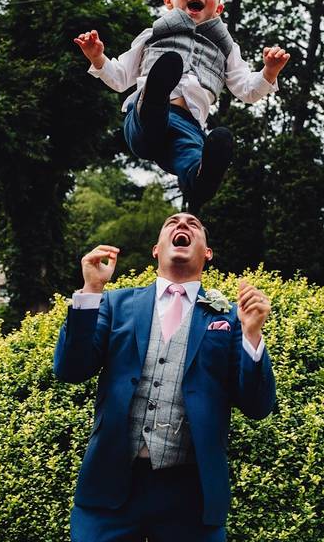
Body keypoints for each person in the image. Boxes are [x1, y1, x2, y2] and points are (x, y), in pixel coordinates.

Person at [54, 212, 276, 541]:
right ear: (156, 249)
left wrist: (252, 335)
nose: (182, 225)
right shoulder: (116, 303)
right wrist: (91, 289)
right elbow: (70, 369)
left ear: (207, 253)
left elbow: (258, 406)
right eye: (172, 222)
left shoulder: (229, 317)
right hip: (110, 485)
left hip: (191, 495)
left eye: (193, 224)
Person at [73, 0, 290, 211]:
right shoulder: (152, 35)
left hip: (188, 125)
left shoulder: (227, 48)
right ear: (169, 1)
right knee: (154, 108)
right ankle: (156, 96)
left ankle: (200, 182)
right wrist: (97, 57)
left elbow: (247, 90)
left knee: (192, 156)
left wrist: (269, 71)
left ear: (218, 8)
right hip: (143, 119)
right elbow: (121, 78)